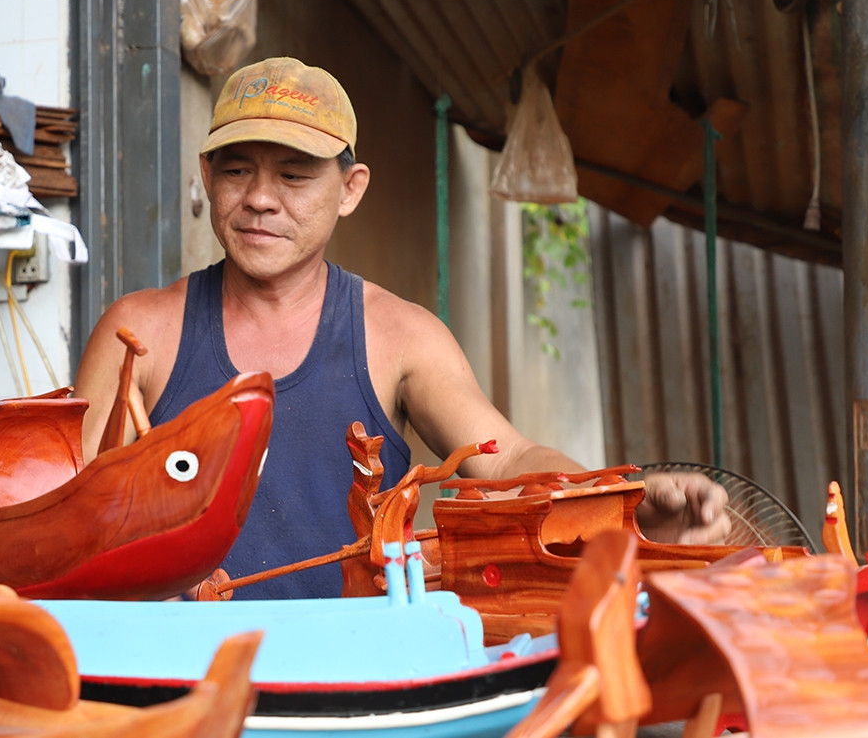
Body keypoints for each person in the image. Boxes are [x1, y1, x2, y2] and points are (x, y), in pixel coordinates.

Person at [72, 56, 729, 599]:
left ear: (350, 189)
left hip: (362, 679)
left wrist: (621, 505)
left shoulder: (399, 337)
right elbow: (68, 520)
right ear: (206, 176)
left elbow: (509, 460)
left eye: (294, 175)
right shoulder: (141, 335)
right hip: (176, 680)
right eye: (237, 169)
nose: (260, 199)